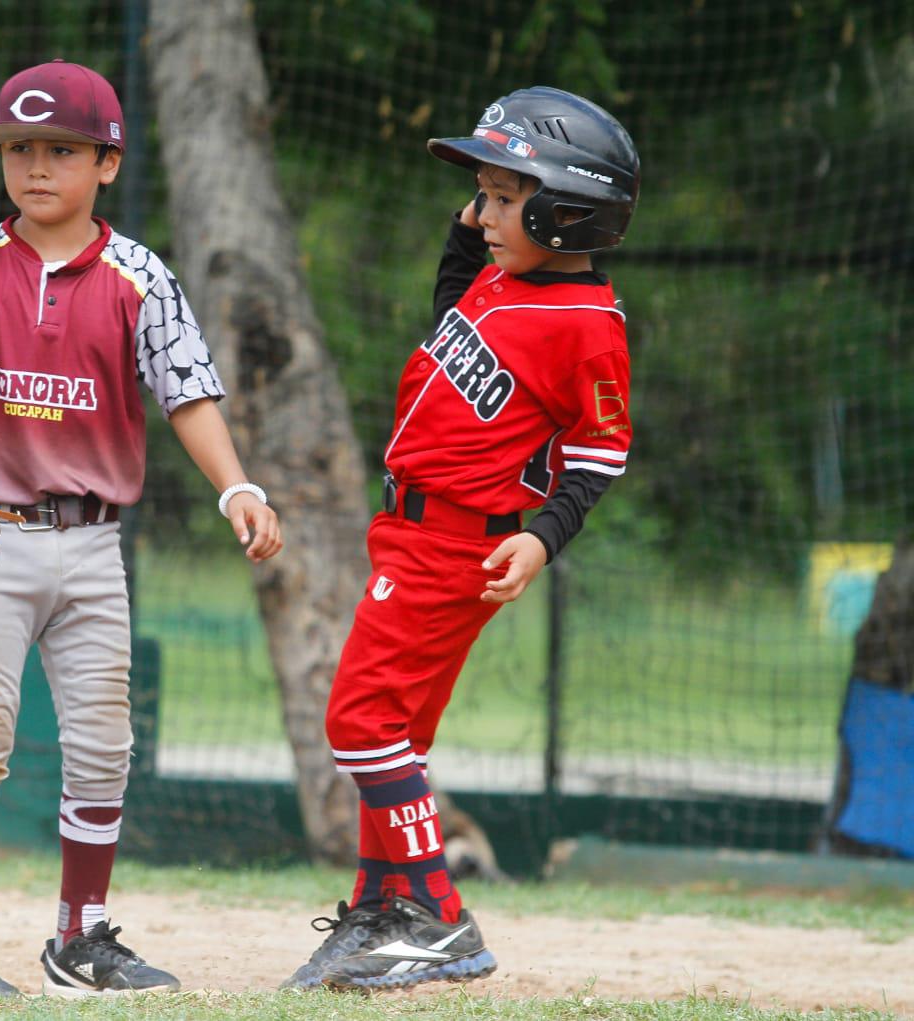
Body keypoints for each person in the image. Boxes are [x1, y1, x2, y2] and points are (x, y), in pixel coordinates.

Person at [0, 59, 282, 999]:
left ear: (107, 162)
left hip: (94, 542)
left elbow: (188, 394)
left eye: (59, 149)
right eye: (17, 149)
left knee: (104, 742)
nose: (34, 167)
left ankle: (79, 938)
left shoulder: (139, 278)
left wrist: (237, 489)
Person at [283, 86, 639, 991]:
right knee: (394, 729)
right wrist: (477, 202)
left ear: (568, 211)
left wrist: (545, 539)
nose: (483, 215)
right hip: (406, 533)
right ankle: (378, 908)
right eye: (481, 194)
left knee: (359, 725)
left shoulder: (586, 325)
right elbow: (450, 305)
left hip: (457, 548)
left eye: (504, 198)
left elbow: (600, 453)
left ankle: (437, 916)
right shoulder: (501, 278)